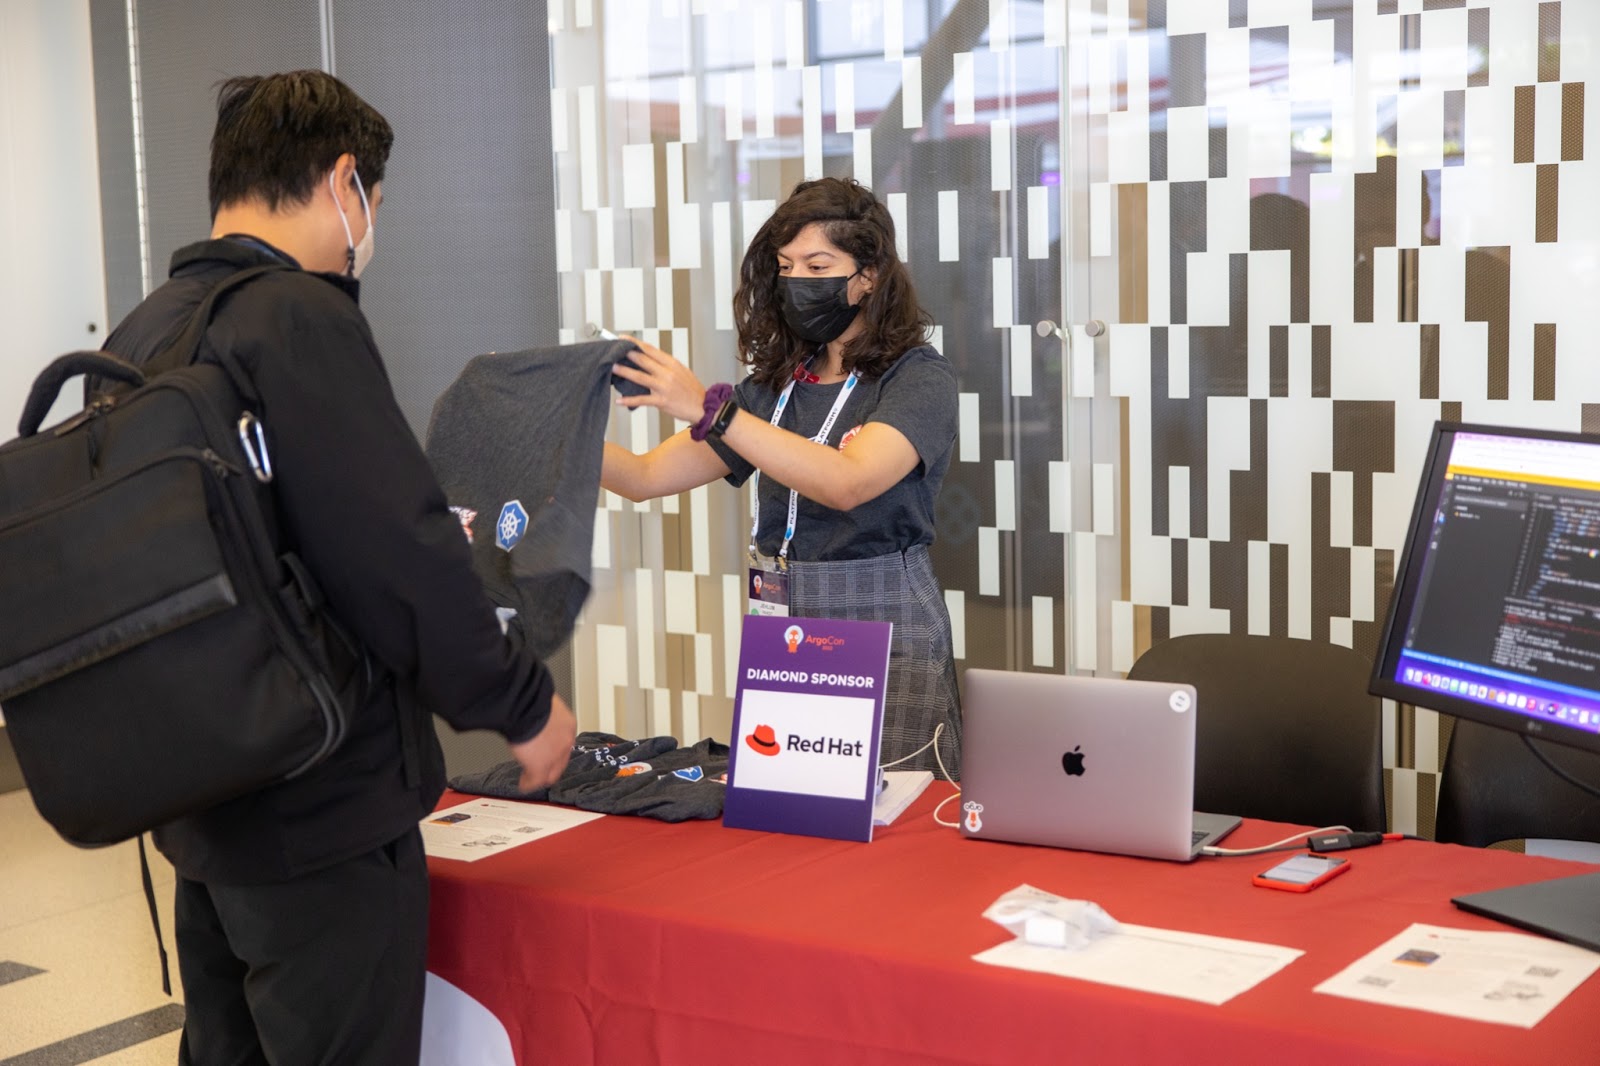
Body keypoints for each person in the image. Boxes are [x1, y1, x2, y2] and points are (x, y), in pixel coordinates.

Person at [99, 71, 576, 1065]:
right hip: (319, 804)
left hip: (201, 796)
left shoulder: (147, 329)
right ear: (343, 181)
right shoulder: (295, 317)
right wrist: (520, 702)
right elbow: (395, 547)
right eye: (375, 203)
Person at [602, 177, 962, 775]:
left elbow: (848, 482)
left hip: (882, 616)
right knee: (788, 801)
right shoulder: (775, 386)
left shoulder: (918, 377)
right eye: (786, 266)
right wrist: (551, 431)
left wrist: (712, 411)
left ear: (869, 276)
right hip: (782, 620)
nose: (797, 281)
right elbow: (643, 476)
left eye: (817, 266)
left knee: (899, 805)